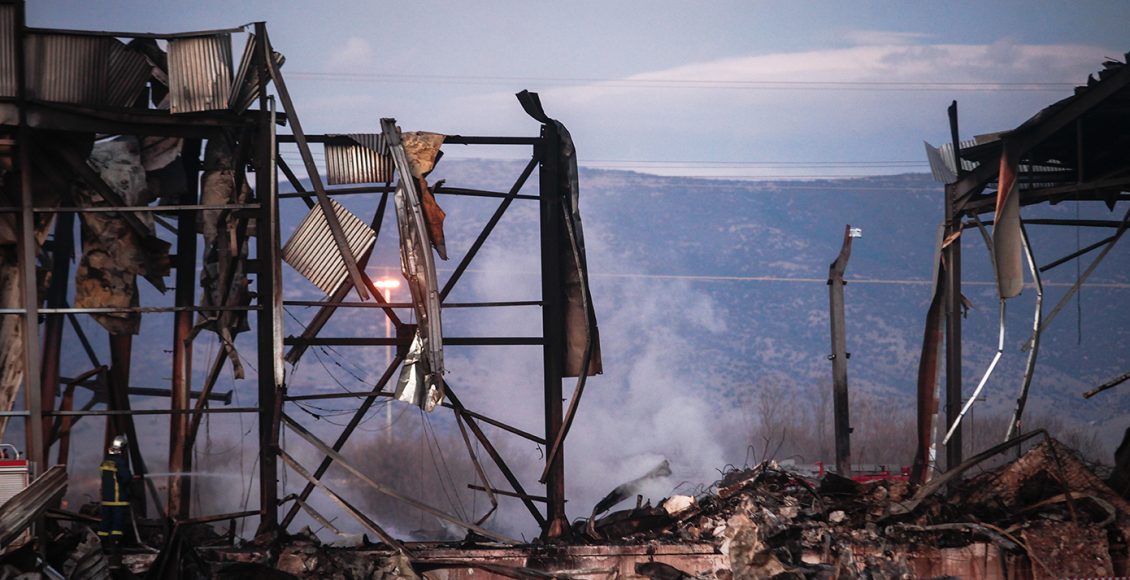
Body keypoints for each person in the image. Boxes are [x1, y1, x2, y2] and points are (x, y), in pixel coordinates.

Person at [98, 435, 131, 548]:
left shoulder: (106, 462)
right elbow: (126, 477)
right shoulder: (119, 462)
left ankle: (103, 545)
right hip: (118, 500)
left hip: (106, 500)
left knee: (105, 524)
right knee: (117, 525)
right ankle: (115, 546)